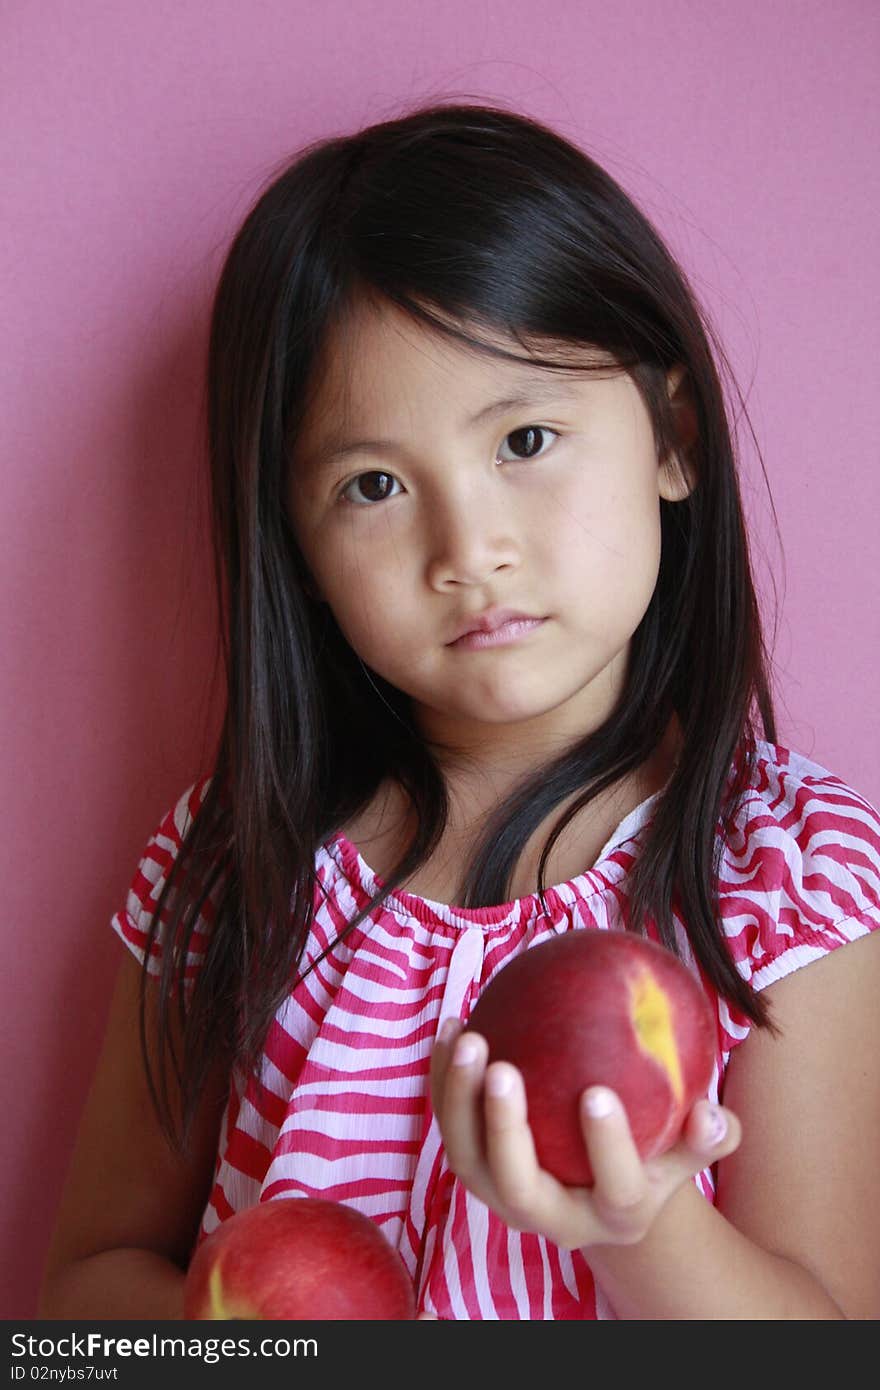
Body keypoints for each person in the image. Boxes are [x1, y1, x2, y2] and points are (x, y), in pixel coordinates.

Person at [38, 100, 880, 1321]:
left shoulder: (781, 878)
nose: (468, 549)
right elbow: (78, 1292)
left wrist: (637, 1230)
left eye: (526, 438)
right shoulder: (236, 865)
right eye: (372, 484)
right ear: (298, 545)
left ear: (672, 436)